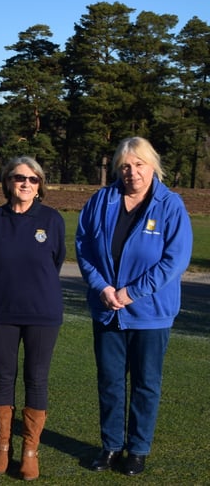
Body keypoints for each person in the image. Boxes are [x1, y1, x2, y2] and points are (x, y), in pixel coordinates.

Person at [76, 137, 193, 476]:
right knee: (110, 382)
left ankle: (138, 450)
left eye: (139, 164)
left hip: (150, 313)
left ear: (152, 166)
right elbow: (83, 246)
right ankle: (111, 446)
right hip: (107, 309)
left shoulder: (170, 205)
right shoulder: (101, 200)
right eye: (125, 166)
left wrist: (131, 293)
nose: (132, 172)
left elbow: (175, 260)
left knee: (145, 384)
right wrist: (103, 288)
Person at [0, 157, 65, 480]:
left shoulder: (52, 220)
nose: (26, 183)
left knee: (36, 378)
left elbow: (55, 260)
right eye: (19, 178)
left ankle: (30, 451)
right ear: (8, 182)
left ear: (40, 185)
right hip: (1, 311)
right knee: (3, 377)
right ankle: (2, 447)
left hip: (42, 313)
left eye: (33, 179)